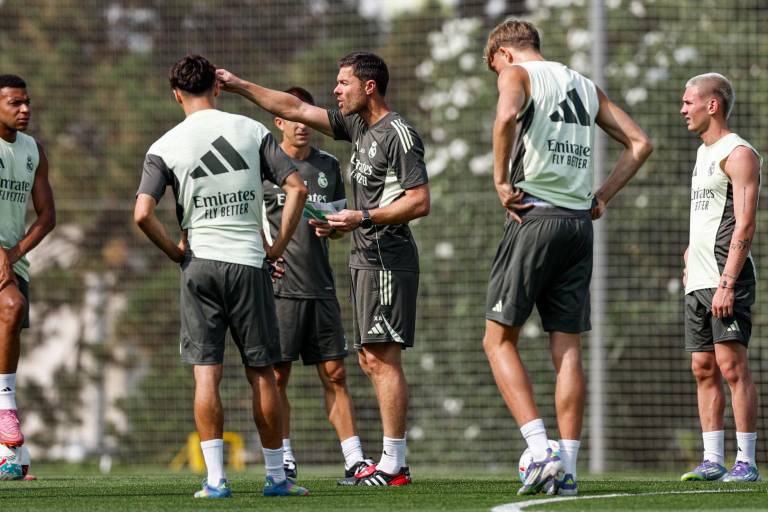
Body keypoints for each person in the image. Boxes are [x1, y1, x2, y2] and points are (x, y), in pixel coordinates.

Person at [217, 51, 430, 487]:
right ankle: (385, 460)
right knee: (371, 358)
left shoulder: (399, 133)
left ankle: (393, 463)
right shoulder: (357, 128)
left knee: (381, 358)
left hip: (387, 258)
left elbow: (420, 201)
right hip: (364, 258)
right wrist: (238, 84)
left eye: (343, 83)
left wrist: (361, 218)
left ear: (368, 86)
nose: (336, 90)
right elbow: (292, 107)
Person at [480, 19, 652, 496]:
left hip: (535, 217)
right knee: (567, 347)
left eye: (494, 68)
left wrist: (499, 181)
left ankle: (539, 450)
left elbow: (506, 118)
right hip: (579, 225)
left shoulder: (518, 75)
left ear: (506, 54)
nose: (498, 77)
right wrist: (603, 197)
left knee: (497, 341)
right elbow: (641, 143)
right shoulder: (583, 84)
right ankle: (569, 469)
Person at [133, 55, 310, 498]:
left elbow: (141, 214)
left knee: (206, 376)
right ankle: (276, 479)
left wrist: (175, 250)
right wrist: (277, 246)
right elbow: (297, 188)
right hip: (248, 263)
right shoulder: (250, 130)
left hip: (199, 265)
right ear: (217, 87)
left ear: (176, 94)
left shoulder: (164, 145)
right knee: (263, 374)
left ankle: (214, 480)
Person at [263, 86, 373, 480]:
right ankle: (284, 456)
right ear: (279, 121)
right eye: (294, 118)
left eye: (307, 118)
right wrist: (264, 255)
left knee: (336, 374)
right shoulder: (263, 166)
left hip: (321, 286)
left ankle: (354, 459)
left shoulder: (327, 166)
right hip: (278, 290)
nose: (302, 125)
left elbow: (338, 224)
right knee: (277, 375)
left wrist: (336, 231)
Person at [679, 73, 762, 483]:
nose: (683, 109)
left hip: (726, 278)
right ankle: (712, 459)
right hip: (698, 277)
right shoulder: (702, 154)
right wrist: (688, 258)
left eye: (689, 101)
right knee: (702, 367)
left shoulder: (740, 153)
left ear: (712, 105)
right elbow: (708, 215)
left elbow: (744, 224)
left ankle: (746, 462)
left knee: (732, 366)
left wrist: (728, 281)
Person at [0, 74, 56, 459]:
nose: (25, 110)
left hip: (12, 261)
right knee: (12, 306)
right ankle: (5, 408)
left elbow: (48, 215)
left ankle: (10, 456)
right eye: (14, 103)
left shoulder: (33, 150)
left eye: (27, 102)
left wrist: (13, 253)